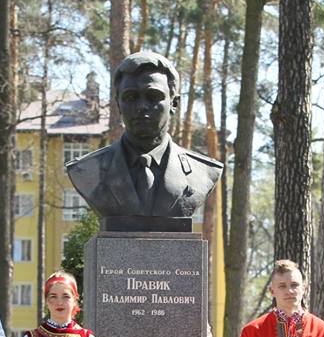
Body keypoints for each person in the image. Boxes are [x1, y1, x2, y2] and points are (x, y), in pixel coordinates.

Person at [66, 51, 222, 232]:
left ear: (174, 103)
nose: (141, 107)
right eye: (131, 97)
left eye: (153, 96)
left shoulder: (203, 173)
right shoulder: (86, 171)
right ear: (118, 104)